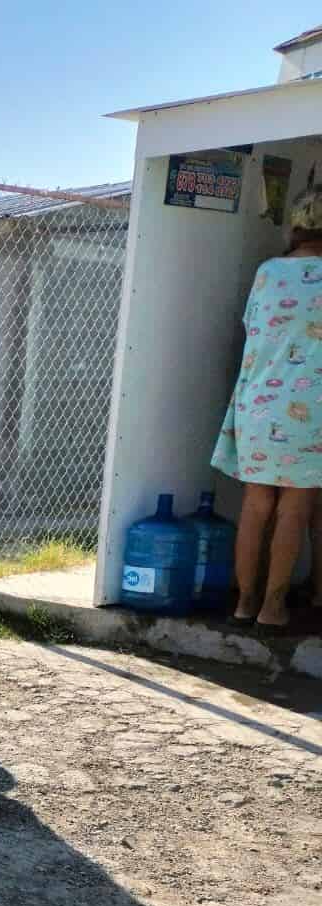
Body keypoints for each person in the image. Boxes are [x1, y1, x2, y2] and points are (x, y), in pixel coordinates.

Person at [211, 187, 322, 631]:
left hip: (257, 403)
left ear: (295, 226)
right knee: (294, 509)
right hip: (310, 410)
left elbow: (251, 326)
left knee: (256, 504)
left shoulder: (268, 272)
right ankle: (273, 607)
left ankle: (244, 603)